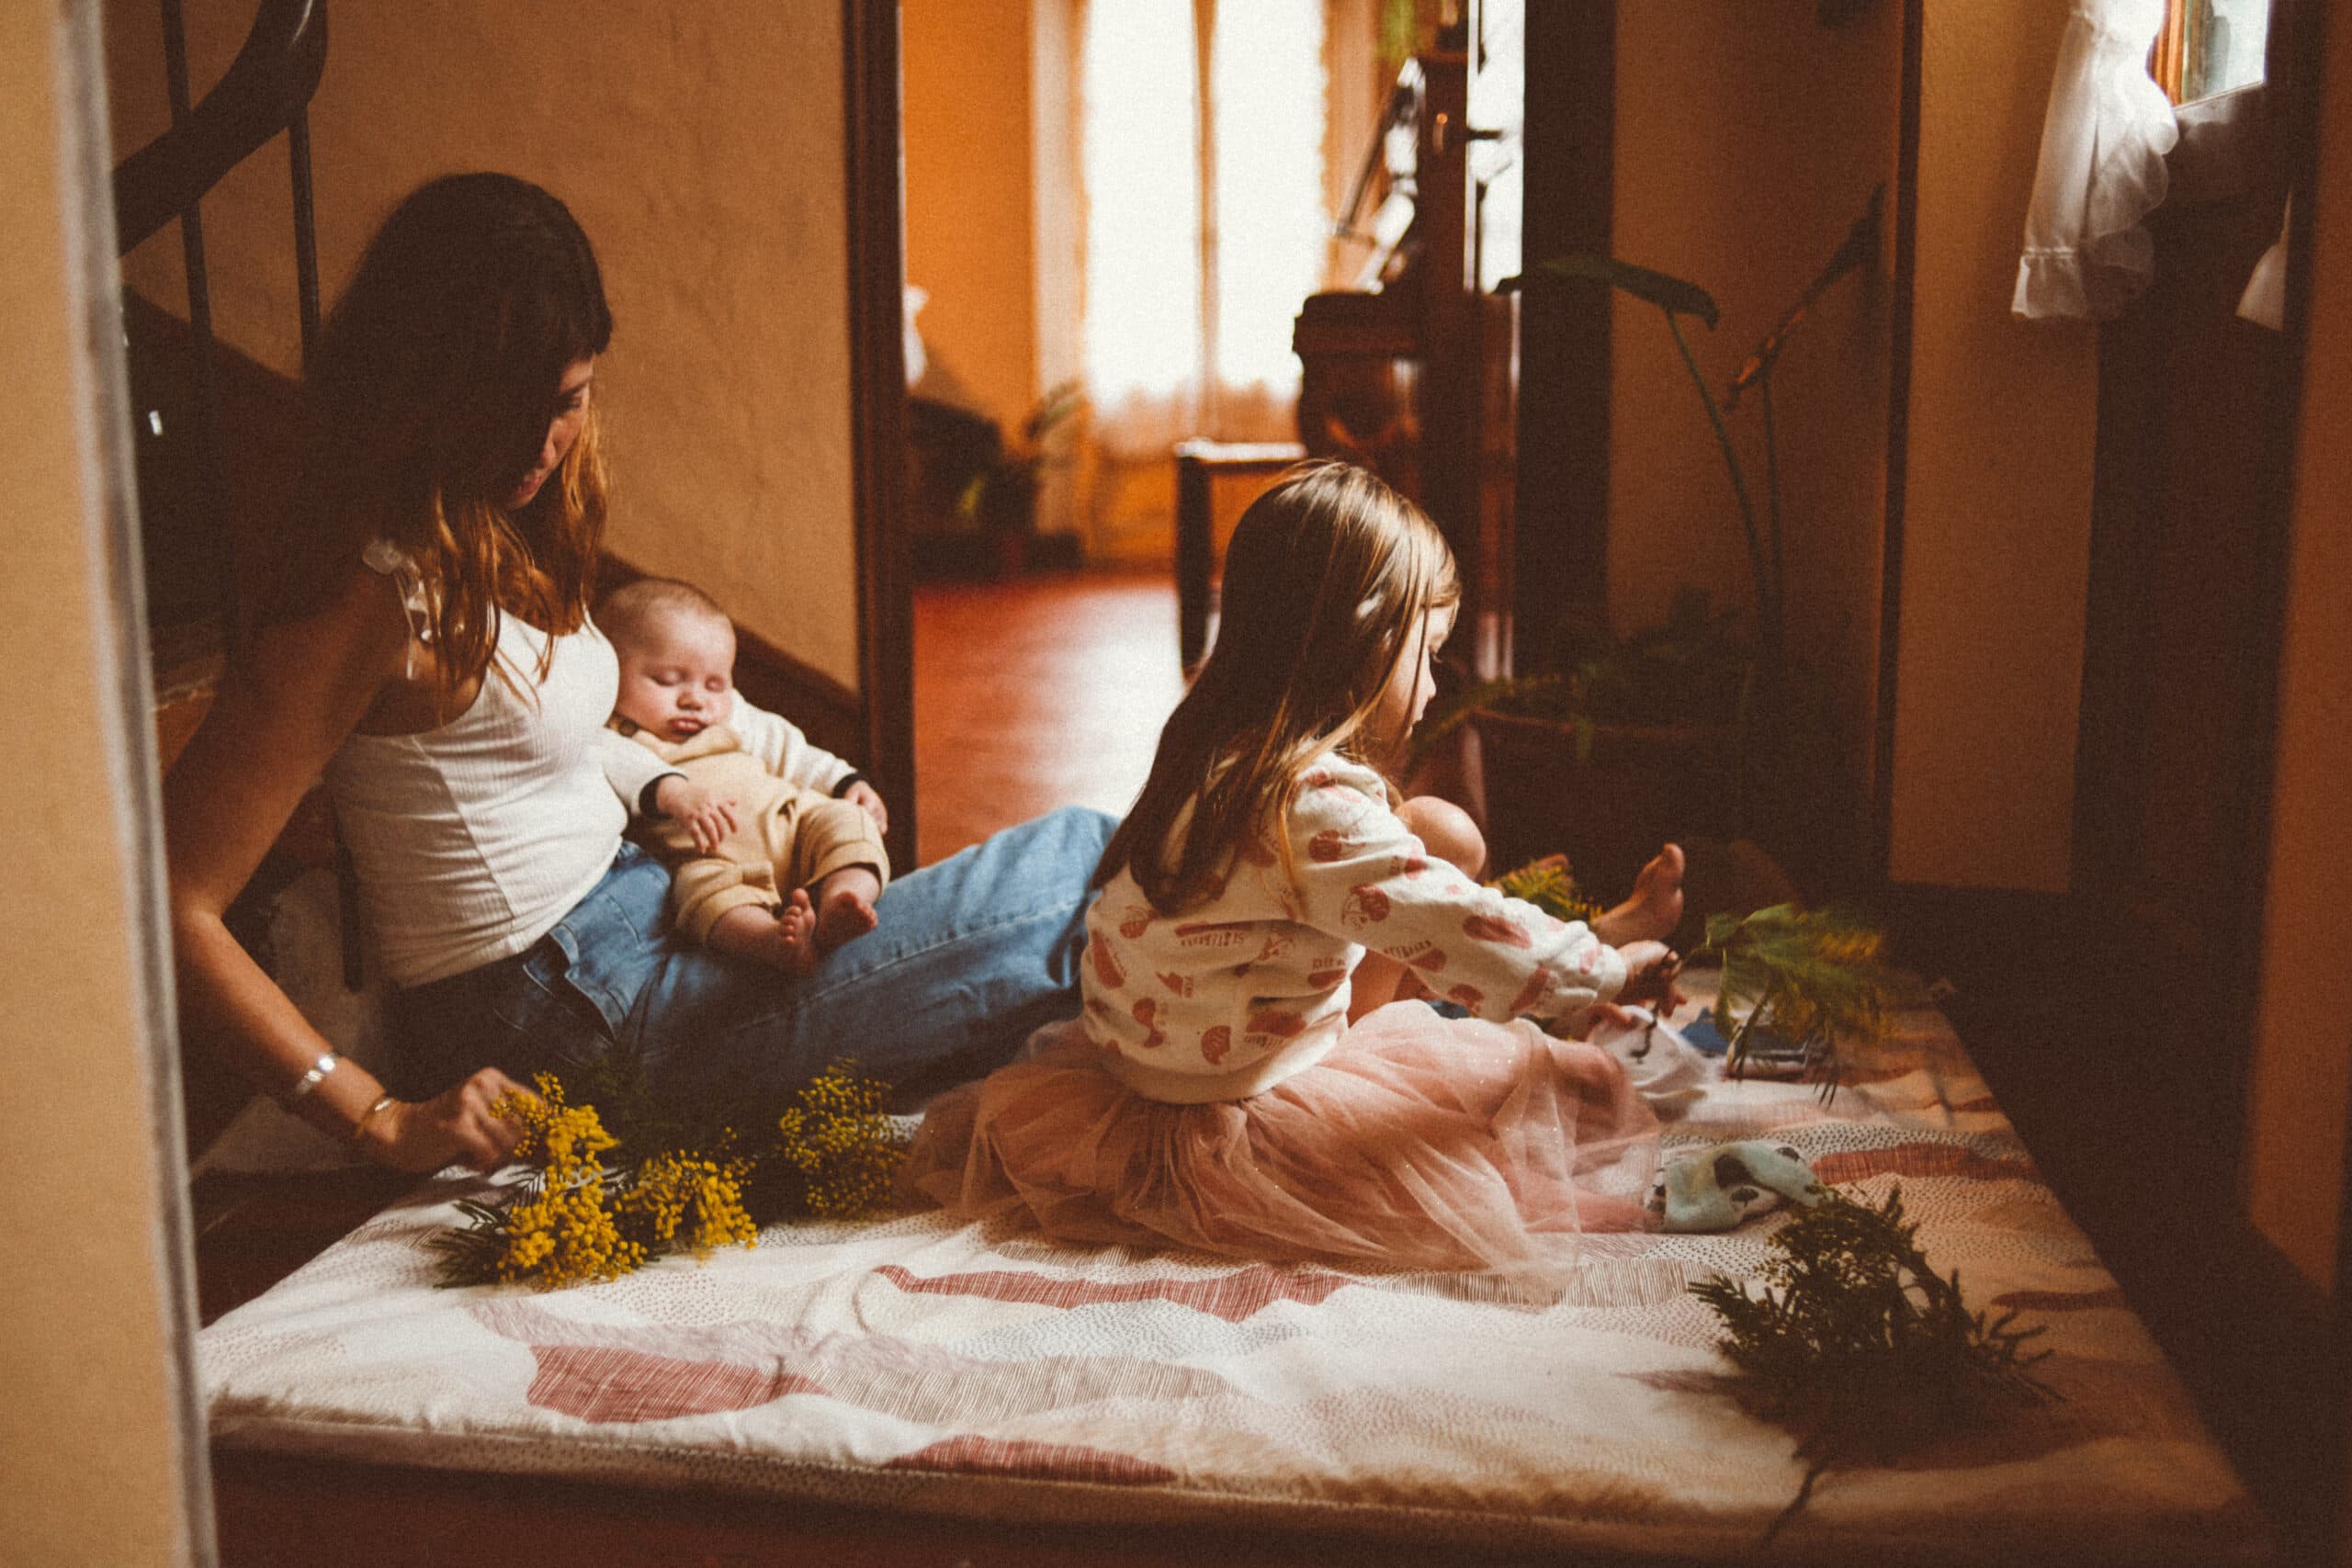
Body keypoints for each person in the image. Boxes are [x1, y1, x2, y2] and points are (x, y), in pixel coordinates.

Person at [164, 173, 1112, 1176]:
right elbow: (176, 900)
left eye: (566, 403)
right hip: (562, 1014)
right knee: (1070, 868)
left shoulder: (486, 522)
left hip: (659, 922)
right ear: (421, 389)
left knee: (1052, 945)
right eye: (505, 411)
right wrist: (375, 1117)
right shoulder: (362, 592)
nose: (540, 446)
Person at [901, 462, 1687, 1276]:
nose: (1433, 684)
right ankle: (1583, 952)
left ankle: (1576, 947)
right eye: (1429, 653)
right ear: (1369, 643)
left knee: (1430, 837)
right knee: (1548, 1079)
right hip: (1242, 1107)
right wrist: (1607, 972)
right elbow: (1458, 926)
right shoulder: (1304, 807)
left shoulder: (1214, 756)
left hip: (1149, 1069)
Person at [597, 576, 888, 975]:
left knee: (848, 821)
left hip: (793, 823)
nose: (695, 699)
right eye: (667, 680)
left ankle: (842, 901)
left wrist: (848, 783)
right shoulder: (612, 736)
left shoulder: (734, 715)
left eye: (715, 684)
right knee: (699, 898)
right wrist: (675, 793)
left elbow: (792, 751)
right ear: (608, 672)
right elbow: (624, 769)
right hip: (713, 858)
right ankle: (773, 942)